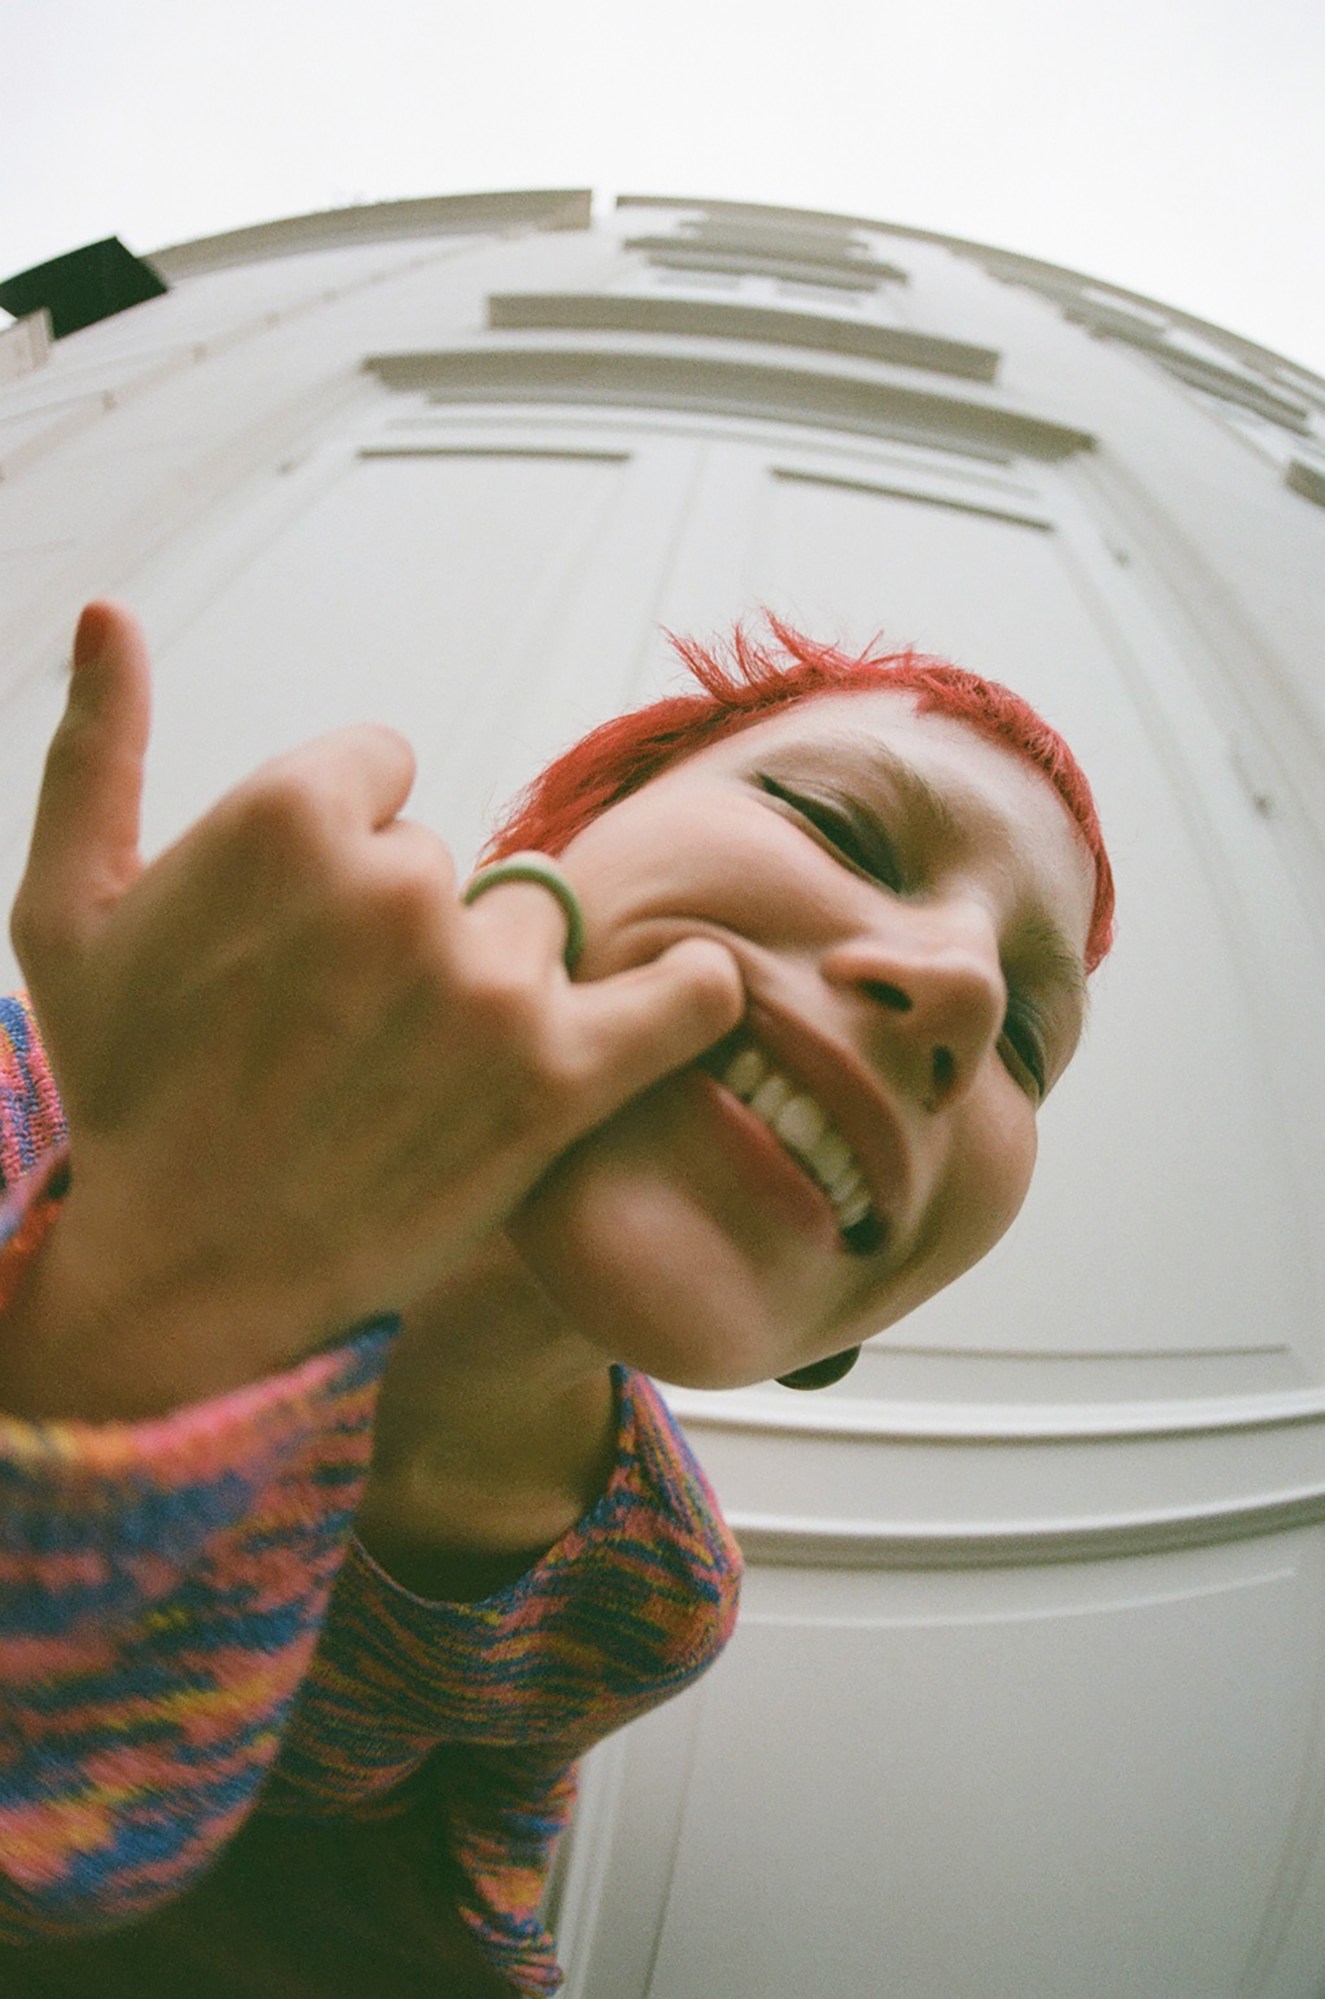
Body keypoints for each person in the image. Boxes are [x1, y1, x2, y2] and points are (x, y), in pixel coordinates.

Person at [0, 601, 1114, 1995]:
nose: (954, 986)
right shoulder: (21, 1104)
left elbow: (480, 1870)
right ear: (525, 874)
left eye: (1023, 1036)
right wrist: (146, 1298)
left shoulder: (657, 1594)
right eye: (838, 828)